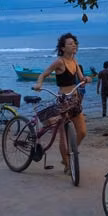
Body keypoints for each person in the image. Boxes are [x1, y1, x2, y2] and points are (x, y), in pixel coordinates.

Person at [34, 33, 91, 174]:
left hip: (75, 100)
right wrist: (39, 84)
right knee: (63, 135)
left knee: (82, 132)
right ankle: (66, 163)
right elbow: (44, 74)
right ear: (63, 48)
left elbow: (81, 78)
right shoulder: (59, 62)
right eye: (70, 44)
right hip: (63, 100)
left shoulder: (75, 62)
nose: (74, 45)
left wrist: (86, 79)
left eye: (75, 43)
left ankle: (70, 153)